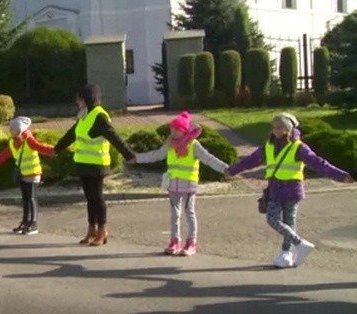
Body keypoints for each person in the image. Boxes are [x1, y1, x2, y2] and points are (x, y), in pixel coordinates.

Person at [225, 112, 354, 268]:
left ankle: (287, 254)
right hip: (274, 190)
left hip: (292, 190)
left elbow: (319, 164)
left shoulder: (299, 147)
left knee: (289, 221)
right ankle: (300, 244)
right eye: (274, 127)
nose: (276, 131)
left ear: (288, 129)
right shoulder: (268, 146)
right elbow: (251, 160)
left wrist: (342, 176)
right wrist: (233, 170)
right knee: (272, 219)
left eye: (280, 127)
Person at [130, 111, 229, 256]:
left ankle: (191, 242)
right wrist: (136, 158)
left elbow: (209, 159)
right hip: (173, 184)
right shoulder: (170, 143)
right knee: (175, 214)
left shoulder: (194, 145)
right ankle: (174, 240)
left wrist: (226, 168)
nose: (172, 131)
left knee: (189, 213)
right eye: (171, 128)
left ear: (183, 130)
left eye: (176, 128)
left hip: (189, 185)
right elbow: (156, 155)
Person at [53, 84, 136, 247]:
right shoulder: (83, 115)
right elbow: (72, 134)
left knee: (97, 198)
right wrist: (56, 149)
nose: (77, 101)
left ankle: (102, 230)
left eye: (79, 98)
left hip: (97, 164)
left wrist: (129, 155)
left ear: (86, 98)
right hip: (83, 163)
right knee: (90, 199)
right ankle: (91, 229)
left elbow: (114, 137)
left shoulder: (99, 116)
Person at [0, 117, 55, 235]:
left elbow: (40, 147)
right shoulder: (12, 142)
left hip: (33, 173)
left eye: (12, 128)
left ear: (19, 129)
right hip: (23, 174)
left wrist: (55, 150)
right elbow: (5, 154)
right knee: (25, 200)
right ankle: (25, 222)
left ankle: (33, 224)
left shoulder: (28, 139)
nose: (9, 130)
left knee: (32, 198)